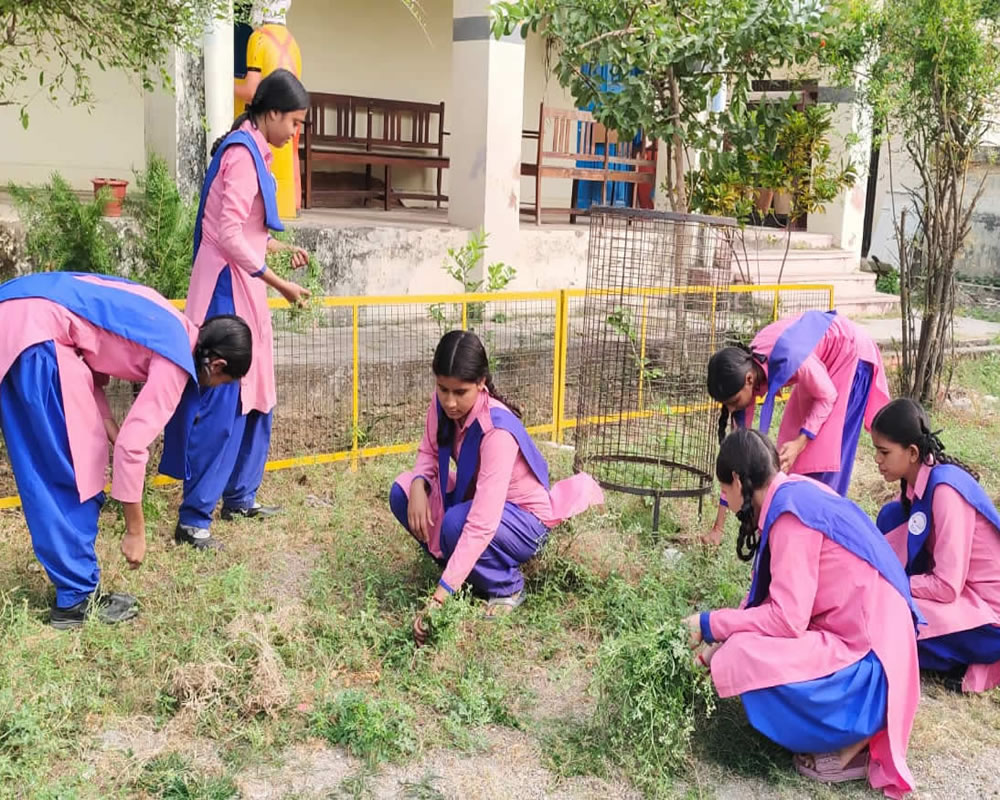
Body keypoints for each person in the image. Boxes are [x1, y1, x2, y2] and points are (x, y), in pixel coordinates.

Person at [0, 272, 252, 628]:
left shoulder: (172, 323)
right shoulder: (176, 361)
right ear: (218, 365)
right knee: (71, 469)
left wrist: (112, 429)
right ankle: (76, 600)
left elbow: (88, 361)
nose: (213, 388)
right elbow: (133, 449)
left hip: (19, 311)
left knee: (70, 454)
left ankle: (76, 589)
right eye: (222, 383)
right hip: (37, 336)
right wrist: (136, 531)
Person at [686, 429, 921, 797]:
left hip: (870, 670)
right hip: (882, 645)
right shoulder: (798, 492)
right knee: (739, 642)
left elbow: (786, 619)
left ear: (736, 481)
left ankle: (851, 738)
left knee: (742, 655)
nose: (725, 500)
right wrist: (724, 630)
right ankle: (853, 732)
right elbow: (781, 603)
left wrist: (712, 624)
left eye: (724, 490)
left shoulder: (791, 517)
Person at [169, 69, 312, 551]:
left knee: (258, 387)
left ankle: (240, 495)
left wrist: (274, 253)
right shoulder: (241, 155)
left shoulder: (257, 152)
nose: (296, 132)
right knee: (224, 397)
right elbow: (227, 235)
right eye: (293, 122)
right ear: (271, 113)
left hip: (245, 284)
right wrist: (281, 283)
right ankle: (193, 518)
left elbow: (248, 231)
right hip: (224, 289)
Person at [389, 331, 604, 644]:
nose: (449, 401)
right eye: (443, 389)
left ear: (481, 383)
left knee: (455, 525)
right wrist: (421, 484)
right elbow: (428, 452)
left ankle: (507, 587)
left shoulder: (496, 432)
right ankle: (465, 575)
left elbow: (481, 524)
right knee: (403, 492)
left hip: (524, 522)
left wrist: (436, 601)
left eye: (460, 392)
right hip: (478, 503)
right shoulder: (443, 406)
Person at [704, 309, 889, 542]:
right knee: (789, 459)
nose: (731, 409)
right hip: (820, 364)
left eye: (732, 402)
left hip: (850, 355)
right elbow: (734, 461)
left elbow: (828, 396)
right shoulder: (746, 368)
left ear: (749, 380)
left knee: (821, 458)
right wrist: (718, 529)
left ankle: (821, 539)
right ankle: (790, 530)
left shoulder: (789, 357)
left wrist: (801, 442)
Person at [873, 398, 1000, 693]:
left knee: (888, 624)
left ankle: (988, 661)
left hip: (989, 615)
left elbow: (946, 586)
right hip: (963, 594)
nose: (877, 460)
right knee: (892, 518)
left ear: (913, 452)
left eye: (884, 452)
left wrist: (895, 583)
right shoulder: (919, 478)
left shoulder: (944, 491)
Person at [234, 0, 303, 219]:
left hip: (269, 123)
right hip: (291, 117)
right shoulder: (293, 43)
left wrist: (226, 83)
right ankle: (291, 208)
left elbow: (252, 90)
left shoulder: (259, 39)